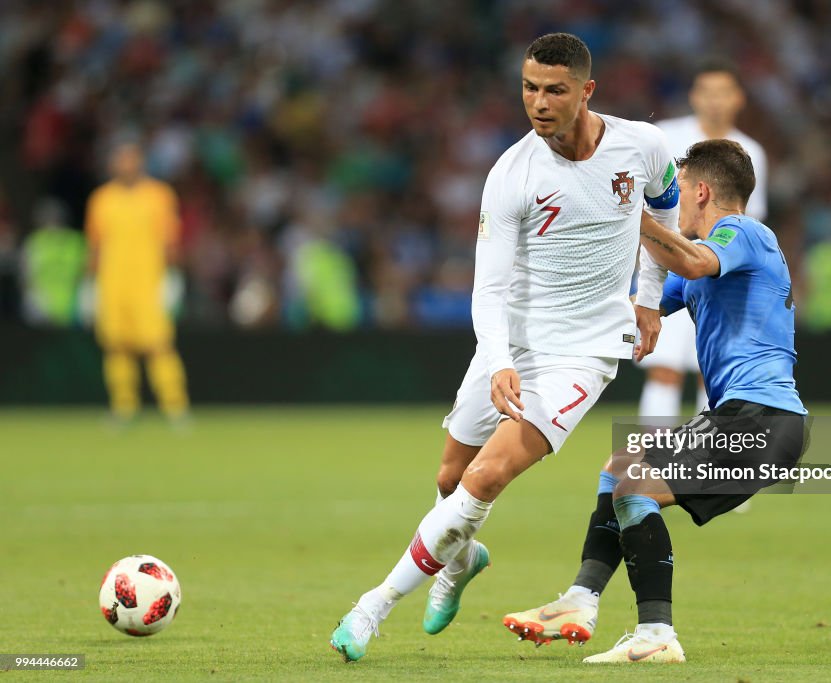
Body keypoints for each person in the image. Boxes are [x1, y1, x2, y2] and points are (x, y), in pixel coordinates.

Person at [330, 32, 681, 662]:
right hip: (512, 342)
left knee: (485, 476)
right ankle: (462, 561)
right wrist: (498, 363)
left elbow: (666, 209)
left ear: (585, 90)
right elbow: (487, 288)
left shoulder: (643, 145)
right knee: (449, 478)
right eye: (529, 88)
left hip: (586, 351)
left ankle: (372, 606)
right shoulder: (512, 173)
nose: (539, 103)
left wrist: (650, 298)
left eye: (554, 90)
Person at [503, 139, 806, 664]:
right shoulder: (705, 265)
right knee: (619, 470)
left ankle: (656, 634)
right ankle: (581, 599)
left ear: (704, 190)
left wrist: (635, 214)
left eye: (679, 191)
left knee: (634, 487)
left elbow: (690, 262)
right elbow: (631, 311)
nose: (675, 202)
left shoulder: (741, 232)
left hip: (761, 417)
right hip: (750, 419)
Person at [638, 59, 768, 420]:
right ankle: (656, 460)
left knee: (711, 371)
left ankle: (703, 460)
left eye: (722, 92)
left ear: (738, 98)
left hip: (719, 272)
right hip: (666, 265)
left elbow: (748, 221)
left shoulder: (751, 152)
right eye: (707, 92)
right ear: (694, 97)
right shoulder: (664, 135)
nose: (714, 101)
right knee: (662, 367)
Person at [86, 140, 190, 422]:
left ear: (140, 161)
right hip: (113, 284)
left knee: (159, 345)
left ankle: (175, 406)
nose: (125, 165)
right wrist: (90, 283)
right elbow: (96, 246)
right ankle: (124, 407)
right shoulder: (101, 199)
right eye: (120, 159)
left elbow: (170, 240)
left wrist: (173, 277)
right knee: (117, 346)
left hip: (148, 282)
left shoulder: (158, 195)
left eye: (130, 159)